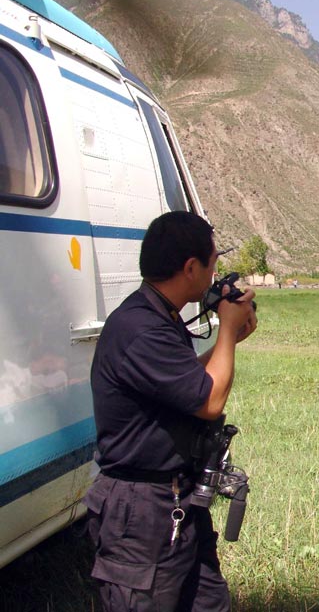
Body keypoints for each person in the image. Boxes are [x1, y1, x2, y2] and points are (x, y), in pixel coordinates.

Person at [83, 211, 257, 611]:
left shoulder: (159, 315)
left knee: (209, 603)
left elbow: (183, 383)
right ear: (191, 267)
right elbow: (208, 401)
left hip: (177, 498)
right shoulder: (141, 328)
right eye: (212, 265)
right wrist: (226, 328)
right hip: (141, 511)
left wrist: (230, 342)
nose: (214, 276)